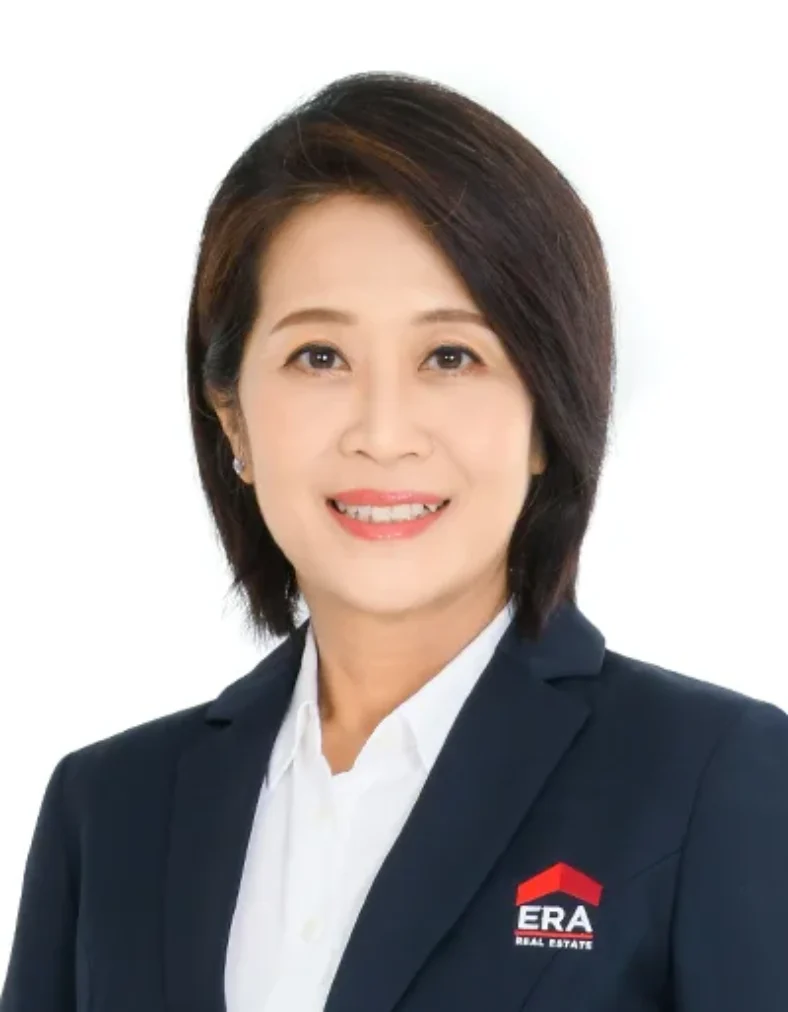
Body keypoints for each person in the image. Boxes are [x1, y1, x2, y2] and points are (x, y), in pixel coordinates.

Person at [2, 70, 787, 1012]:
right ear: (233, 417)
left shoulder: (712, 777)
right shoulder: (108, 810)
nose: (382, 432)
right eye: (319, 357)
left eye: (451, 356)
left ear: (546, 417)